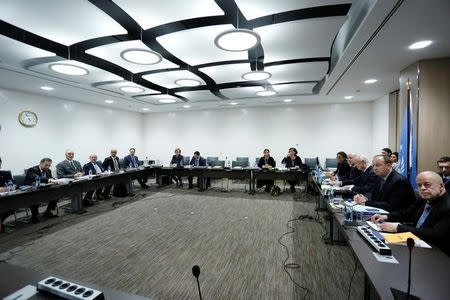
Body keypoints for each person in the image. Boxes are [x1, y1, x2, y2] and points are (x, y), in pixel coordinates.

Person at [371, 171, 450, 256]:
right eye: (419, 185)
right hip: (418, 242)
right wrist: (386, 216)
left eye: (427, 185)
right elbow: (407, 214)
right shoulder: (424, 198)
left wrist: (399, 228)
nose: (422, 188)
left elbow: (435, 233)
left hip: (438, 253)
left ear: (441, 186)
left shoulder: (447, 206)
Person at [25, 158, 59, 223]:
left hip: (43, 189)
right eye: (46, 165)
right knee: (35, 197)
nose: (48, 167)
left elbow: (49, 178)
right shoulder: (32, 170)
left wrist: (54, 179)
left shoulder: (48, 171)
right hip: (31, 191)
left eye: (49, 165)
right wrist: (49, 180)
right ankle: (34, 216)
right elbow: (38, 178)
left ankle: (48, 212)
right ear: (41, 163)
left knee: (56, 195)